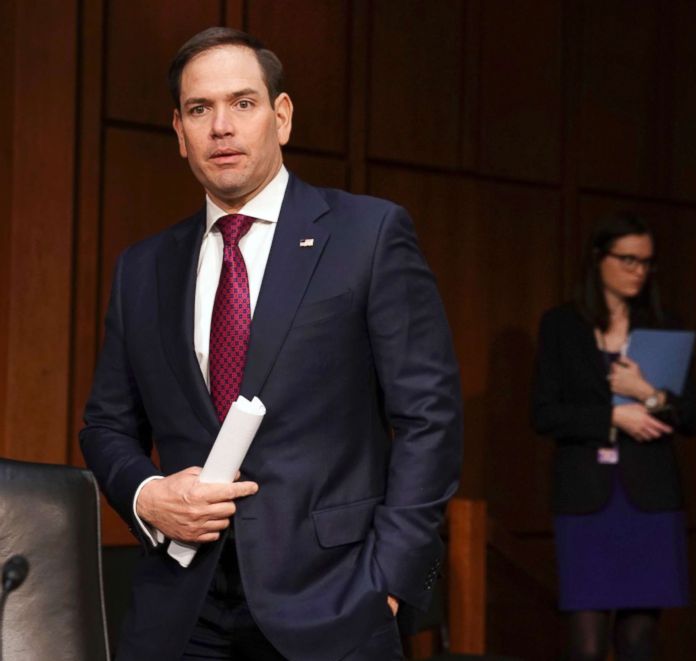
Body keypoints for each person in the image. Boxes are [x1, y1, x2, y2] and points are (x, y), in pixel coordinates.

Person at [79, 27, 461, 660]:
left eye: (243, 103)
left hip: (334, 601)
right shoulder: (142, 268)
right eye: (200, 110)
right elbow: (105, 426)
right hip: (180, 611)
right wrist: (150, 496)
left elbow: (430, 418)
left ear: (281, 117)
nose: (221, 127)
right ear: (179, 131)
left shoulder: (368, 234)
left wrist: (391, 581)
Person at [531, 212, 696, 661]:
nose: (637, 271)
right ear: (598, 259)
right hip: (586, 499)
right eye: (627, 259)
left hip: (649, 498)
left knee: (638, 640)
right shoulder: (562, 326)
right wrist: (614, 418)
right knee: (586, 645)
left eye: (645, 262)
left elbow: (693, 416)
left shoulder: (664, 324)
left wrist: (647, 395)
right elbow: (544, 414)